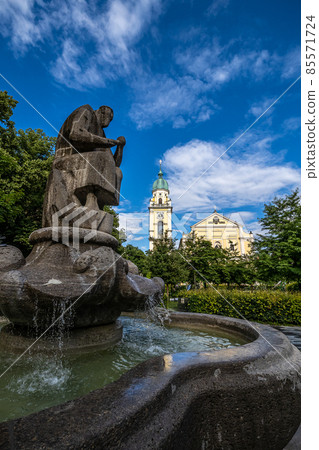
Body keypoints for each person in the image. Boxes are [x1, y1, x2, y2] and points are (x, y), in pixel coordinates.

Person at [55, 104, 125, 167]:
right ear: (103, 112)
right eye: (109, 118)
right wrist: (108, 142)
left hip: (82, 158)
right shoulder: (86, 110)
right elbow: (76, 135)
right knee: (104, 159)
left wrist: (120, 147)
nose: (109, 121)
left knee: (118, 172)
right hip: (65, 157)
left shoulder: (100, 131)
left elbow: (114, 164)